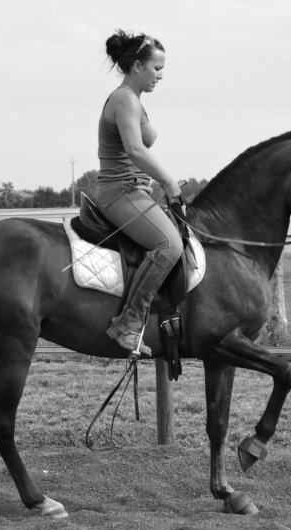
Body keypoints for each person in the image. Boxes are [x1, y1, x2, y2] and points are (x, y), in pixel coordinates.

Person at [96, 30, 184, 356]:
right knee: (169, 245)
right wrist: (168, 181)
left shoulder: (133, 101)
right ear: (136, 66)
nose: (160, 75)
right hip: (121, 192)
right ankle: (128, 325)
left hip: (136, 191)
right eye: (156, 68)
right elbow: (135, 149)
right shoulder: (124, 99)